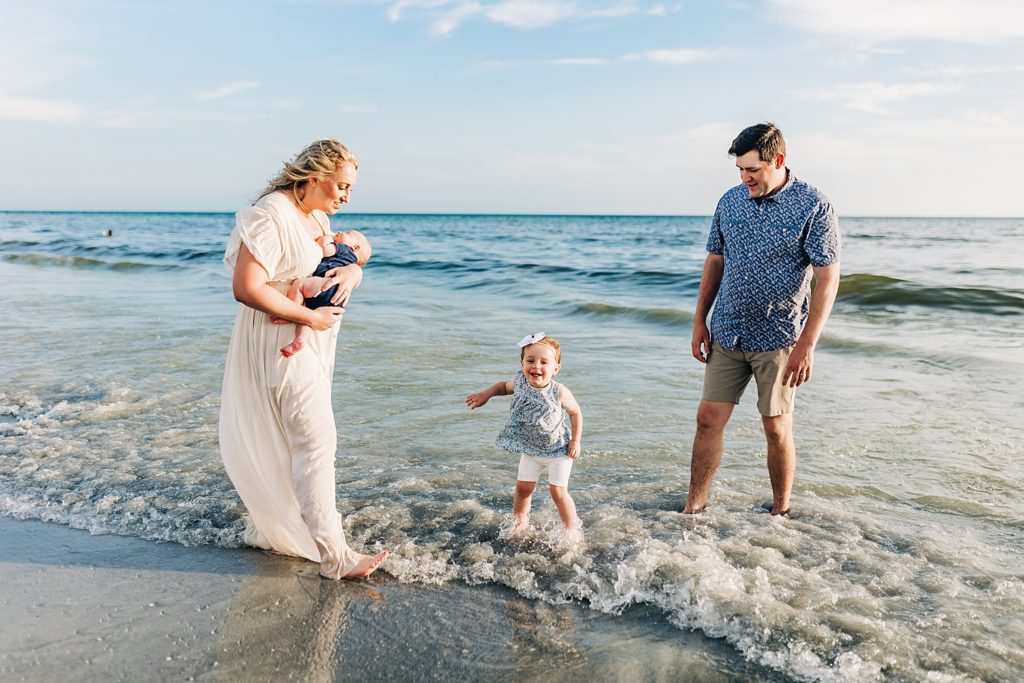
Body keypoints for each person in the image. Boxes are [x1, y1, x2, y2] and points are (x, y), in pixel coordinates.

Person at [220, 138, 388, 579]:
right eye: (341, 186)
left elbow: (330, 264)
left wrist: (355, 269)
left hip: (307, 341)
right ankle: (335, 557)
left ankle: (279, 532)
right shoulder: (271, 213)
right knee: (316, 444)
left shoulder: (317, 215)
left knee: (299, 442)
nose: (347, 196)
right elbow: (246, 288)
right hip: (278, 342)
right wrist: (308, 322)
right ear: (314, 177)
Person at [683, 122, 841, 516]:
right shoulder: (730, 202)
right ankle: (694, 506)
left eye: (752, 169)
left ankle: (780, 512)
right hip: (728, 330)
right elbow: (715, 260)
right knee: (707, 420)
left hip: (780, 336)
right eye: (740, 169)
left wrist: (807, 344)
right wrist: (700, 320)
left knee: (775, 427)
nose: (744, 177)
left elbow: (827, 278)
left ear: (778, 161)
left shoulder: (813, 205)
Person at [466, 333, 583, 531]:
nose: (536, 366)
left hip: (559, 451)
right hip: (530, 450)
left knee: (557, 491)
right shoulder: (520, 383)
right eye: (530, 360)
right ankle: (519, 525)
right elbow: (502, 386)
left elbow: (576, 413)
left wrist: (575, 441)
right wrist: (486, 395)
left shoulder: (559, 392)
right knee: (523, 489)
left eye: (544, 362)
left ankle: (572, 530)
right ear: (522, 363)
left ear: (555, 369)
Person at [279, 229, 372, 358]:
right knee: (309, 316)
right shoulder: (348, 260)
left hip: (327, 285)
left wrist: (327, 237)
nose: (339, 232)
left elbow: (324, 248)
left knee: (299, 284)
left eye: (346, 233)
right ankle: (300, 340)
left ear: (355, 247)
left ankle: (289, 312)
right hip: (336, 300)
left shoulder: (344, 249)